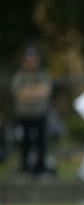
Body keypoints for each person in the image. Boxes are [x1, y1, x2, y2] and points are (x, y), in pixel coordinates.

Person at [11, 46, 52, 175]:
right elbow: (20, 94)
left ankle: (41, 167)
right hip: (24, 115)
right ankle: (25, 167)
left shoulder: (43, 74)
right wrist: (35, 91)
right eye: (29, 59)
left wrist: (29, 91)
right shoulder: (19, 76)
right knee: (24, 143)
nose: (31, 62)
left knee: (42, 142)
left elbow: (45, 91)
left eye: (33, 59)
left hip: (40, 114)